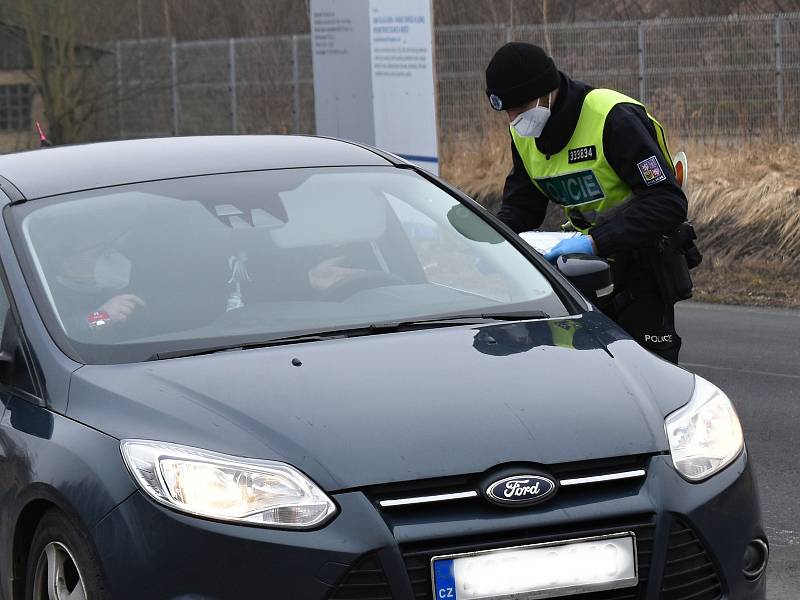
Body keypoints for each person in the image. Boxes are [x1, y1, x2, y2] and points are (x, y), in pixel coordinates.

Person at [485, 42, 693, 363]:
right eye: (507, 111)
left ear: (547, 92)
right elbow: (522, 206)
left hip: (642, 262)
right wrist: (492, 244)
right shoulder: (524, 133)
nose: (514, 119)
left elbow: (667, 202)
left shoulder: (613, 118)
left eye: (521, 106)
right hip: (580, 270)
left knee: (645, 369)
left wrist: (595, 241)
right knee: (587, 368)